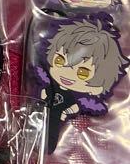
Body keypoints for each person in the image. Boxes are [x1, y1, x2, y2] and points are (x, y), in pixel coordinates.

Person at [32, 19, 128, 154]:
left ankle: (44, 146)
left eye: (82, 72)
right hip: (36, 118)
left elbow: (77, 107)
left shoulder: (78, 99)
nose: (66, 72)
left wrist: (66, 112)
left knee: (49, 135)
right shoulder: (48, 83)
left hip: (56, 118)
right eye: (59, 60)